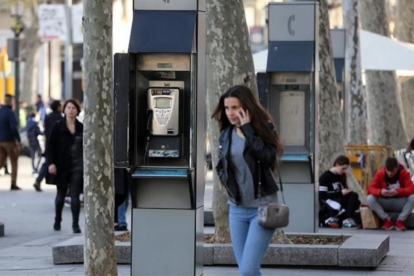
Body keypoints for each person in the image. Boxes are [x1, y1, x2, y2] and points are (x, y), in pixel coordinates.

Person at [212, 85, 283, 276]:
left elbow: (268, 159)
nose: (230, 113)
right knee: (246, 270)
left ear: (247, 107)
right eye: (227, 108)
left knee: (248, 270)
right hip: (236, 209)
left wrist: (248, 130)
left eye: (235, 107)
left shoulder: (263, 129)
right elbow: (222, 165)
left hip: (263, 208)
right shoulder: (226, 134)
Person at [47, 99, 83, 233]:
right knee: (61, 195)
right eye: (68, 107)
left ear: (77, 110)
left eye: (74, 107)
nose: (71, 110)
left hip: (77, 165)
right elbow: (50, 146)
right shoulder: (57, 126)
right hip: (61, 165)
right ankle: (58, 220)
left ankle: (75, 224)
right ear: (64, 110)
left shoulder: (82, 127)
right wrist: (51, 163)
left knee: (75, 195)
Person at [367, 157, 414, 231]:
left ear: (397, 168)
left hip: (399, 202)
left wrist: (398, 191)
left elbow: (411, 189)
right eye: (388, 171)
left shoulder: (404, 173)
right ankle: (387, 220)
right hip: (385, 202)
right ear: (385, 168)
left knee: (412, 198)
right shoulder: (380, 173)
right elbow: (370, 189)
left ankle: (400, 220)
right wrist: (380, 192)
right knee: (370, 198)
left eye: (392, 171)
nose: (390, 173)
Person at [318, 155, 361, 228]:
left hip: (339, 200)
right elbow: (322, 195)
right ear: (337, 165)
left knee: (355, 198)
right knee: (350, 201)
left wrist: (344, 192)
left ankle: (344, 219)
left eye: (346, 169)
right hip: (329, 203)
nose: (344, 171)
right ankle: (329, 219)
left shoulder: (340, 176)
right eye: (343, 168)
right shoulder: (325, 176)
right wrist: (340, 193)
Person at [34, 100, 63, 192]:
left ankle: (38, 180)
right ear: (58, 107)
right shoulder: (60, 118)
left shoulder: (48, 117)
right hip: (58, 144)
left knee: (47, 162)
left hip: (48, 142)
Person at [0, 94, 22, 190]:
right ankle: (13, 183)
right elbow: (13, 127)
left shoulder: (1, 112)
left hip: (0, 140)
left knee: (1, 161)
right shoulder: (10, 113)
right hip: (9, 141)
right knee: (14, 162)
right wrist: (18, 139)